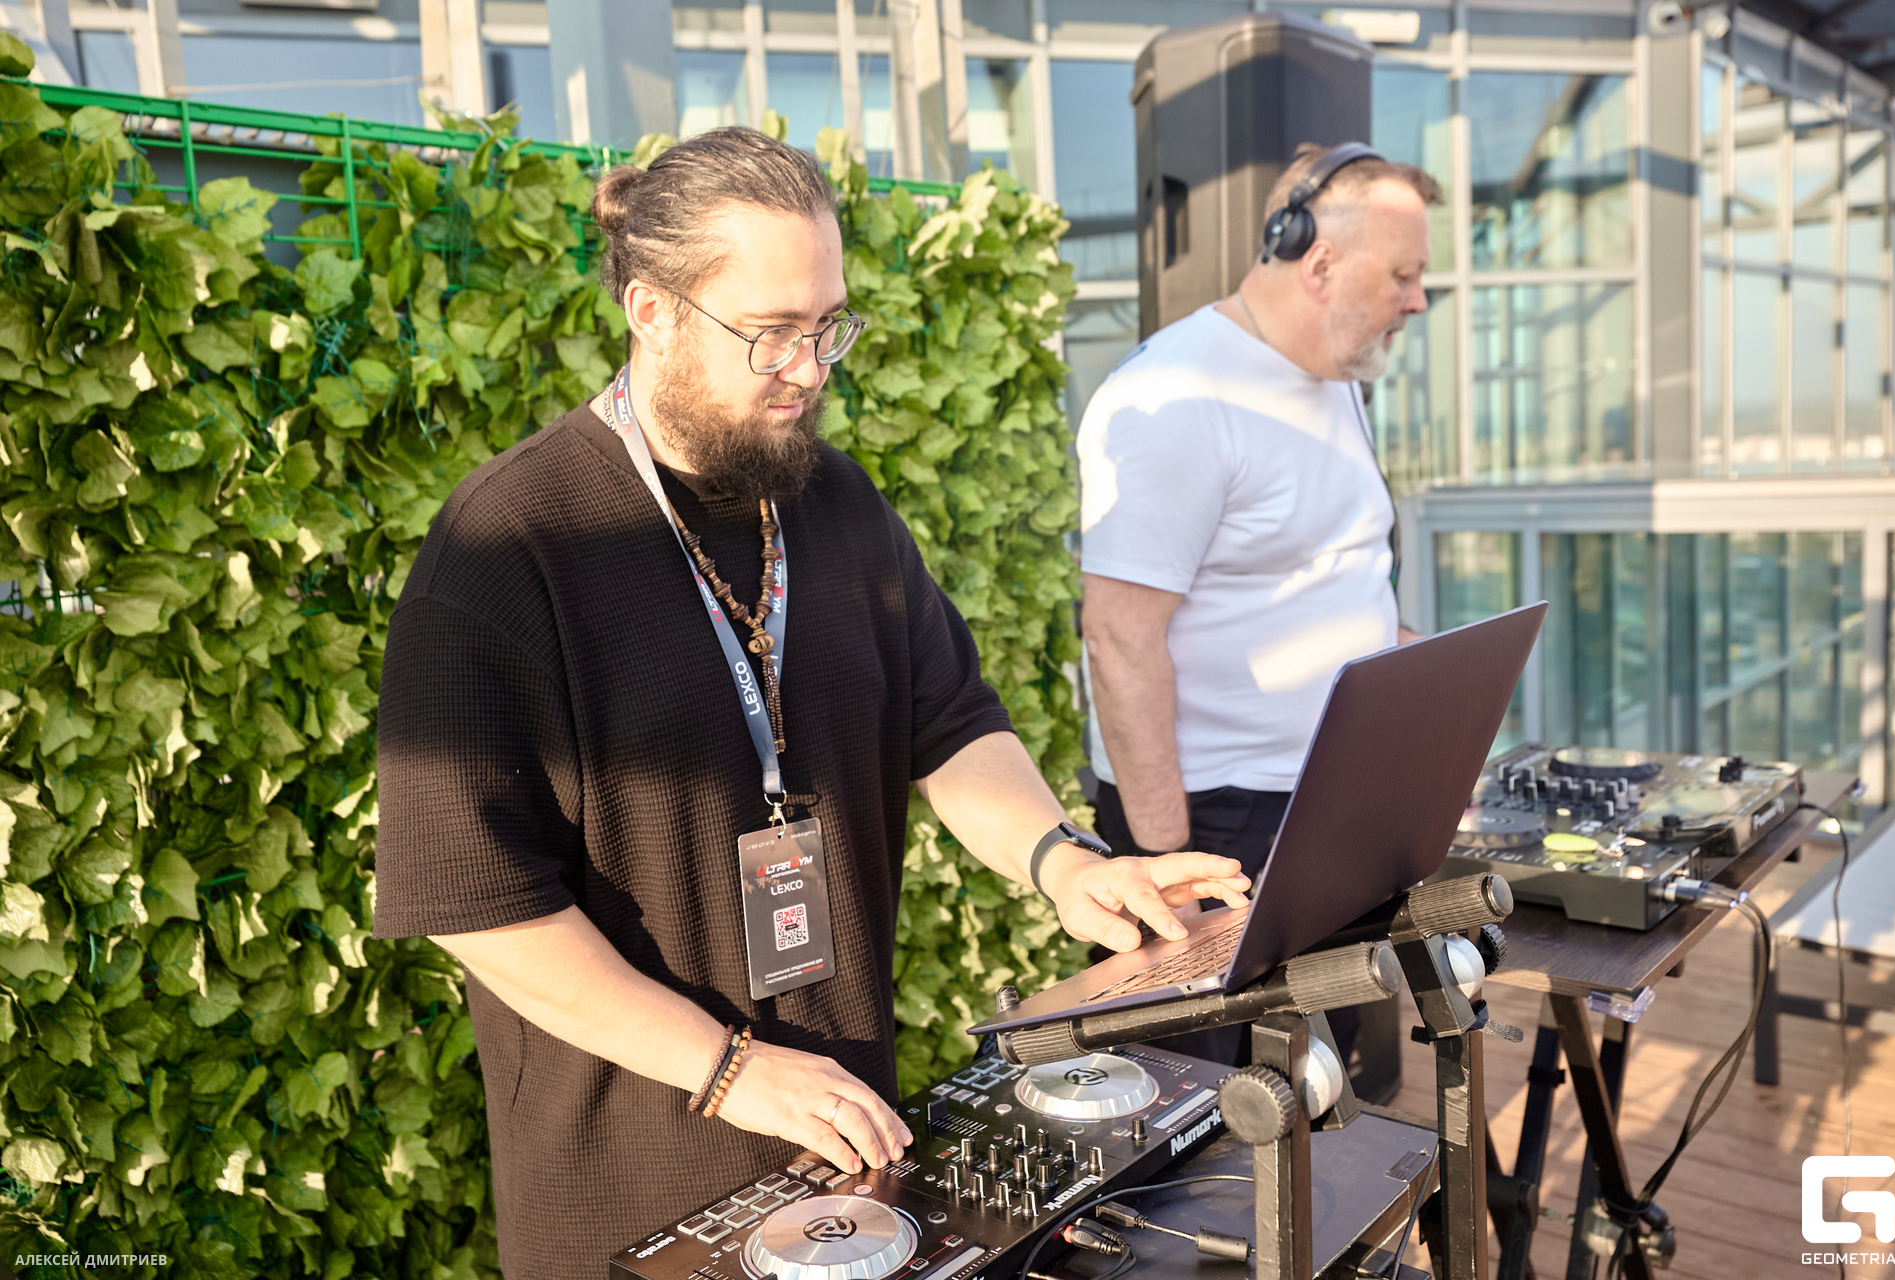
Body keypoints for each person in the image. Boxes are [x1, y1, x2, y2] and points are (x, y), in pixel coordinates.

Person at [371, 127, 1251, 1280]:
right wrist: (730, 1068)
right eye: (772, 333)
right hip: (630, 1194)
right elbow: (476, 901)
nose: (810, 366)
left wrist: (1064, 862)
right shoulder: (507, 544)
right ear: (652, 311)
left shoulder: (835, 500)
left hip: (846, 1160)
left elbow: (951, 721)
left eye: (829, 326)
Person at [1075, 143, 1440, 1084]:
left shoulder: (1337, 376)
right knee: (1191, 1110)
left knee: (1327, 1093)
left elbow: (1332, 578)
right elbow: (1118, 639)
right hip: (1217, 827)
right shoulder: (1176, 396)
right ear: (1318, 262)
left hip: (1330, 803)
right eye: (1403, 275)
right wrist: (1169, 867)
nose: (1418, 300)